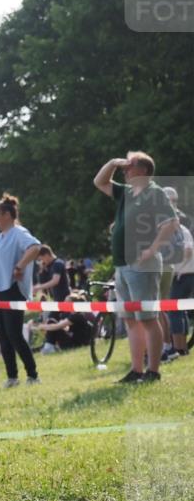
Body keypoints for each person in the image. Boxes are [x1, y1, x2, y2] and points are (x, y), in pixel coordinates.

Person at [93, 152, 179, 383]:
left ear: (142, 170)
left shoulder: (155, 192)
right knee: (131, 320)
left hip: (143, 265)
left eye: (129, 167)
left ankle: (153, 371)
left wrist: (152, 249)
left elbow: (171, 223)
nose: (125, 171)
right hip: (122, 265)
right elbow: (99, 182)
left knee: (148, 318)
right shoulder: (126, 192)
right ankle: (136, 370)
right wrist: (113, 162)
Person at [0, 193, 42, 387]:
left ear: (7, 215)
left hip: (11, 290)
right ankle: (12, 377)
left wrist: (20, 266)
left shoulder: (19, 233)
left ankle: (33, 375)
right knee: (2, 337)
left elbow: (35, 247)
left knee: (14, 334)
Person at [166, 219, 194, 357]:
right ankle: (182, 347)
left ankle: (178, 348)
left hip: (183, 275)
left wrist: (179, 270)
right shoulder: (184, 230)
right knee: (180, 310)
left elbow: (188, 251)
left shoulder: (179, 231)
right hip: (188, 274)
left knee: (174, 311)